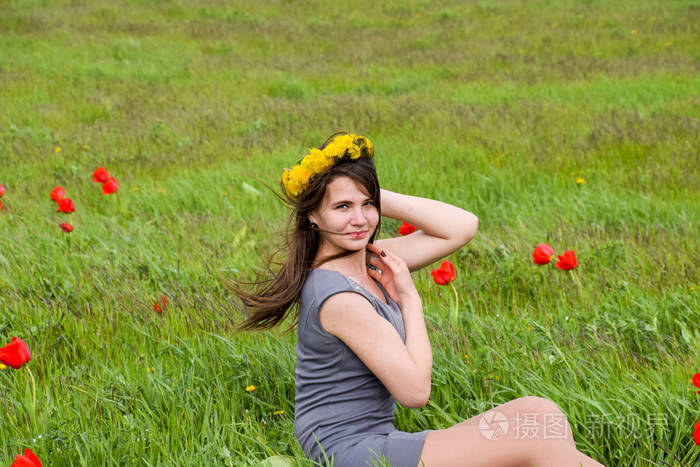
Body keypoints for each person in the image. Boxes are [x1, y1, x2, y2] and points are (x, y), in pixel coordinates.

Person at [228, 132, 605, 467]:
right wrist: (411, 300)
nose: (359, 219)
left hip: (378, 441)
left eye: (366, 205)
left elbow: (461, 226)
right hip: (351, 452)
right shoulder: (339, 297)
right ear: (312, 215)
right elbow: (415, 392)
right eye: (342, 208)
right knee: (538, 430)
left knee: (541, 418)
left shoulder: (367, 260)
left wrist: (364, 189)